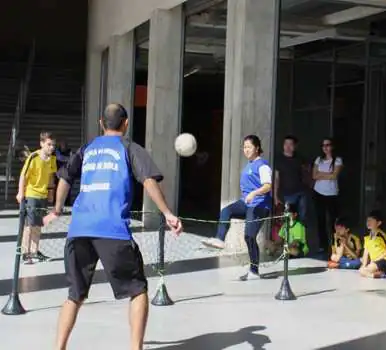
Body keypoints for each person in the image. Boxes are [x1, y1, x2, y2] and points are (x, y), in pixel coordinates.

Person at [43, 103, 183, 350]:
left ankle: (58, 348)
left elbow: (64, 178)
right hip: (112, 231)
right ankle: (135, 347)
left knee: (74, 295)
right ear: (126, 123)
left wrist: (57, 209)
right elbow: (148, 180)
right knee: (138, 290)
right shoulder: (129, 148)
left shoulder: (87, 148)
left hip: (79, 230)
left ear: (101, 123)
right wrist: (168, 213)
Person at [201, 135, 272, 281]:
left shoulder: (263, 165)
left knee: (249, 237)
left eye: (249, 147)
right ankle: (220, 239)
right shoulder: (249, 165)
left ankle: (254, 271)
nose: (245, 150)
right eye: (244, 147)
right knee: (226, 210)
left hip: (259, 205)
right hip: (246, 203)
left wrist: (254, 193)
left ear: (257, 148)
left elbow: (268, 186)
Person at [16, 131, 57, 264]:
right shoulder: (33, 157)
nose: (52, 147)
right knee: (29, 225)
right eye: (49, 144)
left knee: (38, 225)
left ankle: (34, 251)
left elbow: (51, 176)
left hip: (43, 196)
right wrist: (20, 193)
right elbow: (23, 175)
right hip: (32, 195)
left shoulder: (52, 159)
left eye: (53, 145)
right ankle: (25, 253)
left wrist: (51, 193)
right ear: (41, 144)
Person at [312, 137, 343, 254]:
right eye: (323, 145)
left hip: (332, 193)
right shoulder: (318, 159)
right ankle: (323, 245)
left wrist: (322, 174)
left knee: (333, 220)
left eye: (328, 145)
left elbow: (334, 176)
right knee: (320, 220)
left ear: (332, 146)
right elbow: (314, 176)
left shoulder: (337, 160)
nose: (325, 147)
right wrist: (328, 174)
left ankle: (335, 244)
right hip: (318, 192)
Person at [274, 135, 309, 223]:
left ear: (295, 146)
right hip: (287, 194)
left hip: (301, 193)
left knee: (302, 217)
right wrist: (275, 196)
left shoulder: (300, 158)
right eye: (286, 144)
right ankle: (289, 237)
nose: (288, 146)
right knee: (289, 219)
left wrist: (309, 185)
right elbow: (276, 178)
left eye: (290, 144)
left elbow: (307, 171)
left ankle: (300, 236)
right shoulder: (279, 159)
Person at [359, 210, 386, 278]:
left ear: (378, 223)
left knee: (365, 271)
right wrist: (364, 265)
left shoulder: (381, 235)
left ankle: (381, 275)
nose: (368, 222)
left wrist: (375, 261)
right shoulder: (367, 237)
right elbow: (366, 252)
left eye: (371, 221)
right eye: (368, 220)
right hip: (376, 262)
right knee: (362, 270)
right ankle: (382, 274)